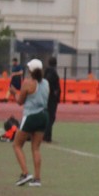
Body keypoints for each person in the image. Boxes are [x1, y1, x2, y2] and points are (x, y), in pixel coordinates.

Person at [12, 58, 49, 187]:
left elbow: (20, 101)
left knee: (17, 145)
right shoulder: (46, 83)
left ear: (30, 71)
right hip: (43, 115)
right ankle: (37, 178)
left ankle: (25, 173)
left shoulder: (28, 83)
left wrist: (14, 93)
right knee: (36, 148)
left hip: (31, 116)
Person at [43, 55, 61, 142]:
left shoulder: (47, 71)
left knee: (48, 116)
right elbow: (49, 82)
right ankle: (47, 136)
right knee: (51, 117)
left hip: (47, 96)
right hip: (51, 98)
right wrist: (54, 90)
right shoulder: (52, 72)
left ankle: (45, 135)